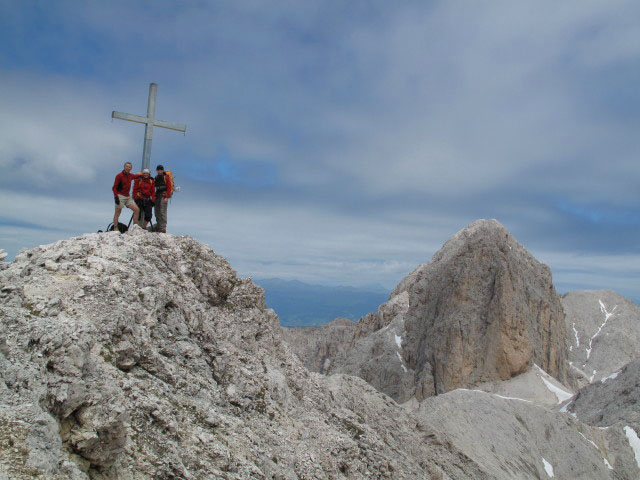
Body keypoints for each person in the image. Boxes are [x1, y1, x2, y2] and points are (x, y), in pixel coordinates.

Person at [112, 162, 140, 231]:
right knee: (118, 213)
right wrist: (116, 197)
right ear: (124, 167)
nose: (128, 168)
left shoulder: (130, 175)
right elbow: (114, 188)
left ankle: (135, 227)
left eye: (129, 167)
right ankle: (115, 228)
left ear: (131, 168)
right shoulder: (119, 176)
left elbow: (136, 176)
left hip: (128, 197)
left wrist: (145, 174)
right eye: (127, 166)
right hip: (120, 196)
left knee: (136, 209)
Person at [154, 164, 172, 233]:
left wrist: (166, 197)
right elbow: (155, 187)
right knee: (157, 211)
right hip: (157, 195)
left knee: (162, 211)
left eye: (161, 170)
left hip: (163, 195)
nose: (159, 171)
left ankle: (163, 227)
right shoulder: (156, 177)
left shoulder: (166, 177)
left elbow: (169, 187)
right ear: (157, 170)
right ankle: (159, 226)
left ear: (163, 170)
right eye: (158, 170)